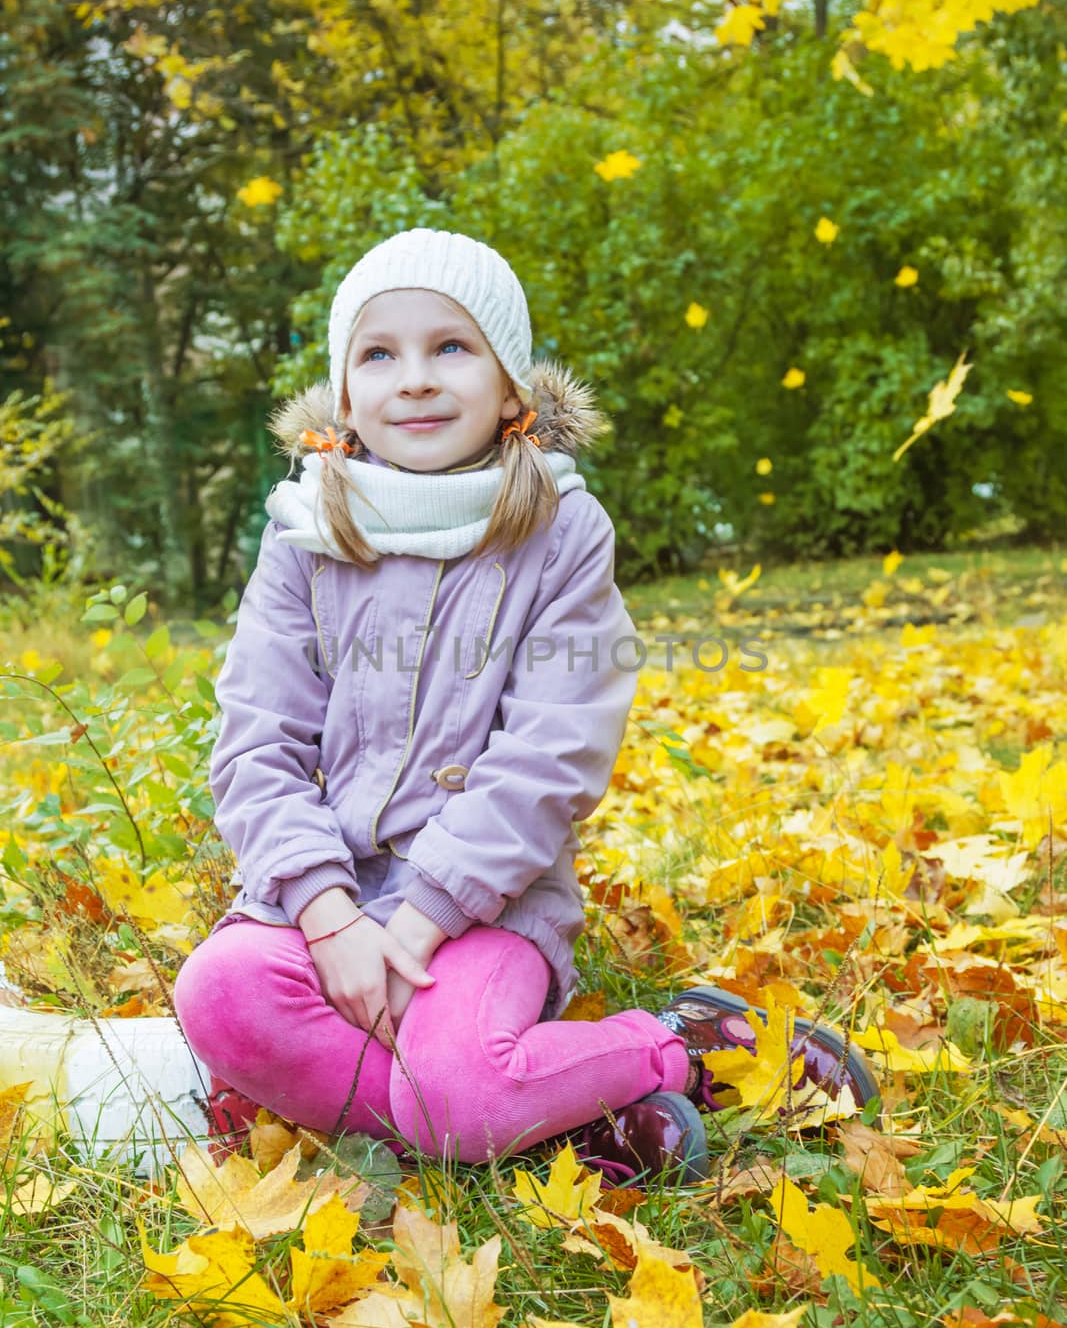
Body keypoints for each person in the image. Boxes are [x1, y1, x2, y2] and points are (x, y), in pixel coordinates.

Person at [173, 227, 878, 1184]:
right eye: (379, 354)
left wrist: (420, 917)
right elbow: (256, 740)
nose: (414, 379)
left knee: (459, 1089)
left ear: (511, 387)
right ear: (345, 396)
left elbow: (553, 748)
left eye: (450, 347)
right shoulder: (303, 533)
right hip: (320, 900)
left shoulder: (559, 530)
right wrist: (331, 916)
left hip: (479, 907)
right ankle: (551, 1121)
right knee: (217, 996)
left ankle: (685, 1044)